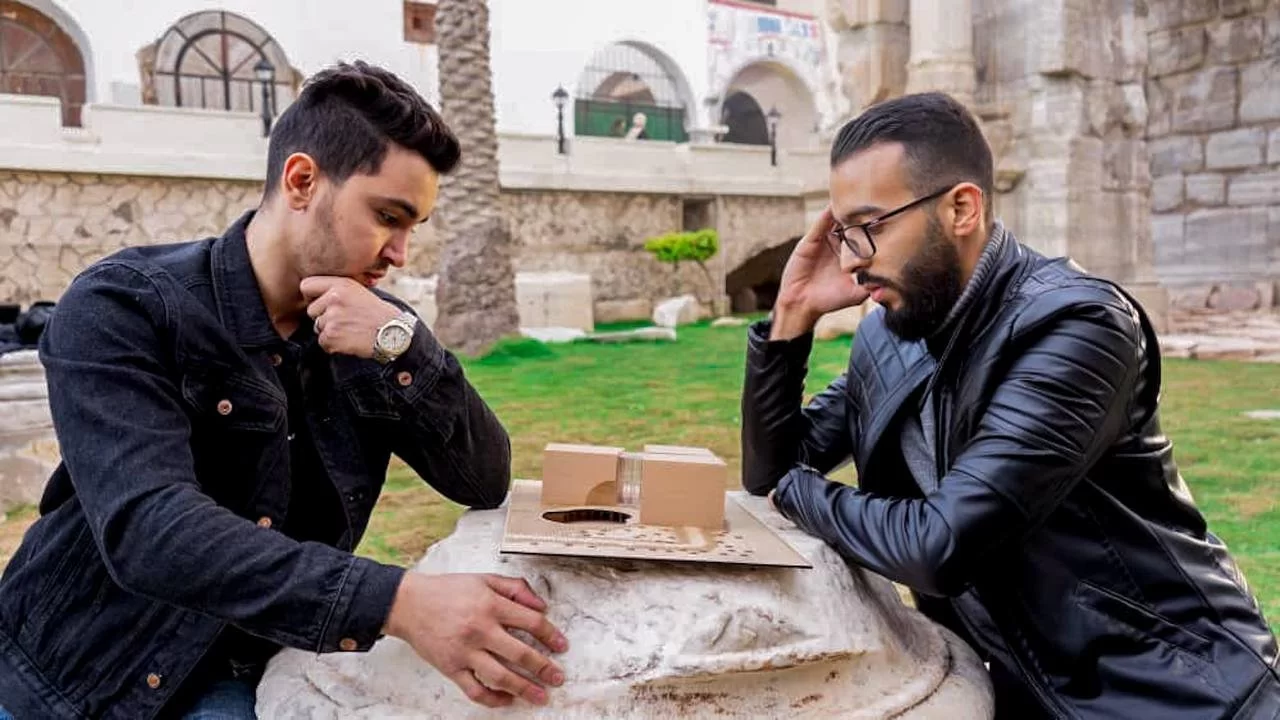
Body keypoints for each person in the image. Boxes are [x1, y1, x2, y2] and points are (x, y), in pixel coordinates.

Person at [0, 61, 567, 719]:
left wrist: (406, 347)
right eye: (388, 217)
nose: (401, 253)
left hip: (236, 674)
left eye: (413, 227)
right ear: (302, 181)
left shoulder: (375, 330)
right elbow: (148, 528)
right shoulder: (125, 305)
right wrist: (398, 602)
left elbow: (484, 478)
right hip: (66, 674)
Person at [741, 92, 1280, 718]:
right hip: (1018, 693)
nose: (853, 261)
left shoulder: (1079, 326)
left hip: (1173, 694)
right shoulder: (889, 337)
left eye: (871, 228)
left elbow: (941, 546)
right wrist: (791, 316)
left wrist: (794, 491)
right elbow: (768, 468)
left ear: (962, 209)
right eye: (843, 233)